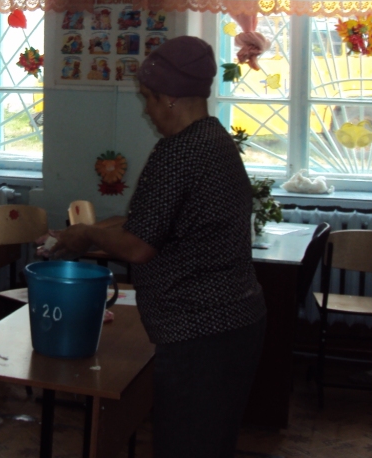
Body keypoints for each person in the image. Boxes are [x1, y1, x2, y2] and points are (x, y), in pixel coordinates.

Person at [46, 35, 267, 458]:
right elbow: (156, 223)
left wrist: (87, 235)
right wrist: (90, 228)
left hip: (200, 332)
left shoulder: (178, 152)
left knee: (186, 446)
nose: (146, 109)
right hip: (234, 323)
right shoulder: (215, 140)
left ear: (170, 98)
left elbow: (138, 247)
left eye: (148, 97)